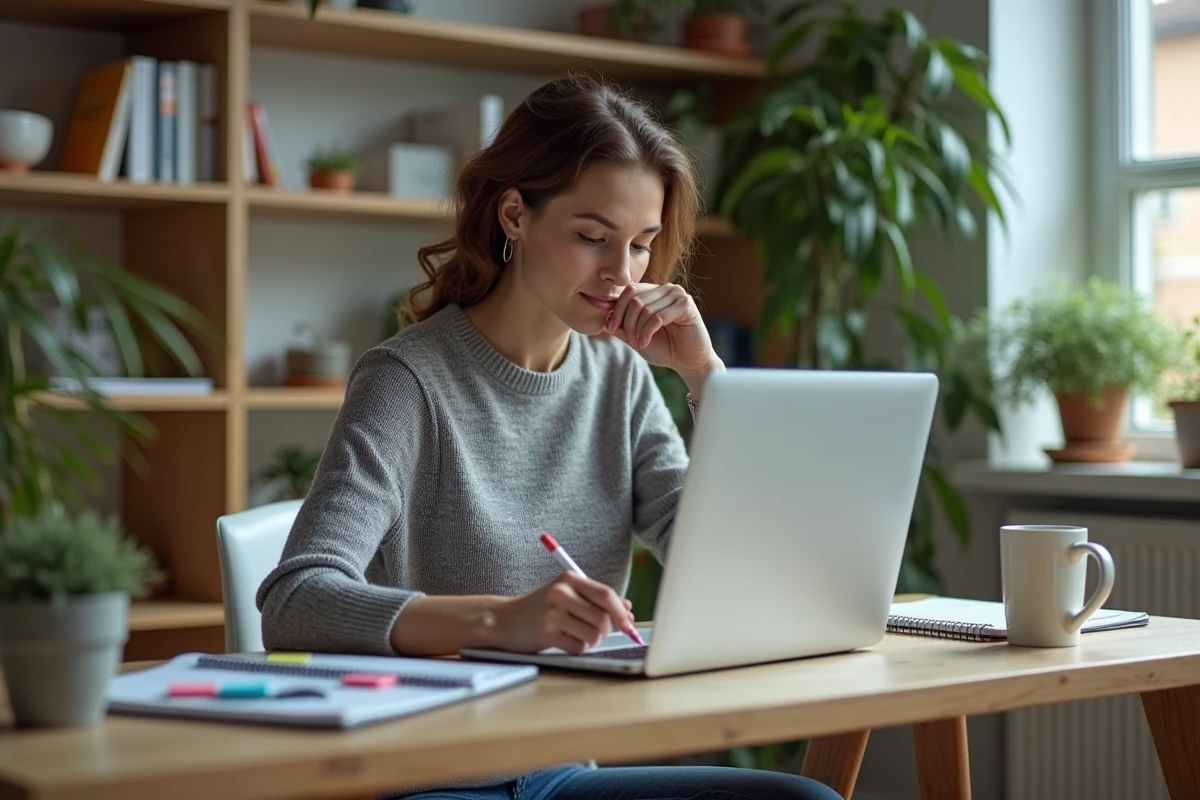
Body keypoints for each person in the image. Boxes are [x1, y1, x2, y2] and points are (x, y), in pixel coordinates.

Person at [256, 73, 843, 800]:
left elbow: (738, 568)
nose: (621, 276)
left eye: (641, 246)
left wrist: (705, 377)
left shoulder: (620, 381)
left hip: (561, 773)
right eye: (593, 238)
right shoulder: (407, 381)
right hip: (425, 778)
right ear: (514, 215)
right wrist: (505, 620)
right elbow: (296, 601)